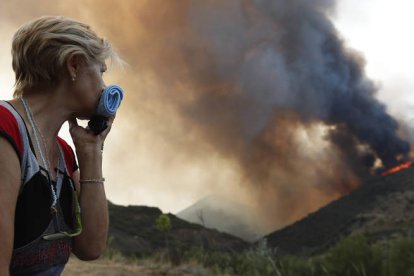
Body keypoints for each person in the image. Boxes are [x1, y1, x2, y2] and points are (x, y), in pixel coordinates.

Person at [0, 16, 121, 275]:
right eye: (100, 72)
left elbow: (91, 248)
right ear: (74, 65)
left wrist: (91, 153)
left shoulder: (64, 152)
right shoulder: (5, 129)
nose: (104, 87)